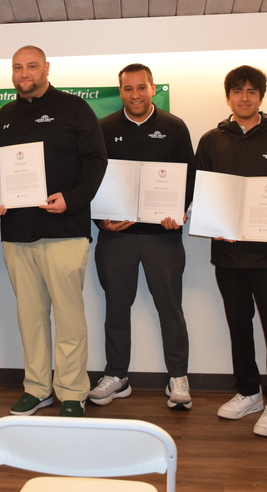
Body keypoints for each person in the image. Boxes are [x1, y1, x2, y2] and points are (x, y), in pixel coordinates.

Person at [194, 65, 267, 437]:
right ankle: (249, 392)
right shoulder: (212, 140)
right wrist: (214, 224)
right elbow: (201, 191)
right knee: (239, 326)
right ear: (227, 96)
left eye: (251, 92)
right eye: (237, 91)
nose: (244, 98)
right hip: (228, 255)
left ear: (261, 96)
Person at [0, 45, 108, 417]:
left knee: (70, 318)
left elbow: (96, 160)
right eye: (18, 67)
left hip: (65, 230)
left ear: (46, 68)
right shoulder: (5, 116)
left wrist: (71, 200)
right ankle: (37, 388)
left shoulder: (74, 108)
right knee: (31, 318)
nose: (25, 73)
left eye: (32, 66)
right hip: (17, 234)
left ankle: (73, 392)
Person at [90, 63, 196, 410]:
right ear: (119, 91)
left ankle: (178, 376)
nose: (135, 95)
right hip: (116, 238)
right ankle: (117, 375)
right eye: (128, 89)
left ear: (152, 88)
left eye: (141, 88)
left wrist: (178, 211)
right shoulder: (103, 129)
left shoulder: (174, 127)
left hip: (161, 236)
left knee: (170, 307)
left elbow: (188, 178)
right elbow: (92, 179)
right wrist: (101, 220)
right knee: (116, 308)